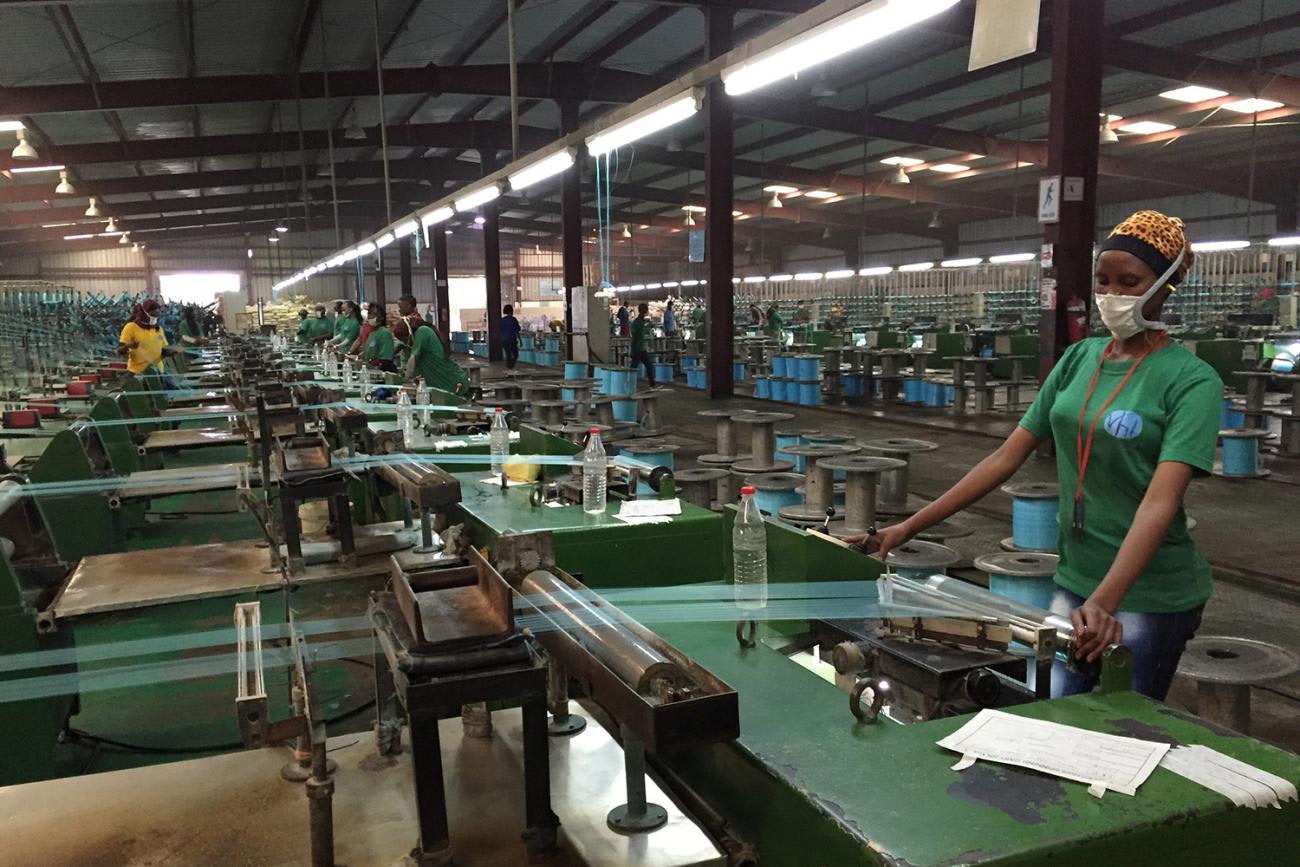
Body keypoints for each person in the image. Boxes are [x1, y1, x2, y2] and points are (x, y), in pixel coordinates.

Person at [855, 211, 1221, 701]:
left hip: (1150, 593)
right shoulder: (1078, 360)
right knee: (1049, 706)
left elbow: (1161, 502)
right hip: (1076, 579)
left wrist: (1105, 602)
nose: (1111, 294)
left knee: (1123, 722)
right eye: (1103, 280)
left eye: (1129, 282)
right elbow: (1004, 459)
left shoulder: (1192, 382)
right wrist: (906, 528)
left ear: (1166, 286)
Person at [117, 299, 184, 388]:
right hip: (138, 374)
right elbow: (119, 351)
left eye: (157, 316)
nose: (154, 319)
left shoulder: (158, 329)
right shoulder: (131, 327)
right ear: (144, 313)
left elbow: (163, 351)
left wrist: (173, 351)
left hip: (157, 372)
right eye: (153, 315)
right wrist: (128, 346)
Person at [407, 322, 471, 396]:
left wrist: (407, 379)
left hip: (453, 383)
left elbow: (412, 361)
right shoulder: (425, 334)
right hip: (447, 384)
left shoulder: (422, 331)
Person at [355, 304, 397, 372]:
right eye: (369, 314)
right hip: (369, 370)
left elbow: (386, 359)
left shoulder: (384, 333)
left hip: (381, 371)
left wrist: (370, 364)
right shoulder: (372, 333)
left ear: (381, 317)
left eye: (374, 314)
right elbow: (369, 353)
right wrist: (358, 357)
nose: (371, 317)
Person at [392, 294, 426, 366]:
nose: (399, 310)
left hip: (410, 362)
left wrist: (389, 355)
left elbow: (402, 343)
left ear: (409, 306)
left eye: (401, 307)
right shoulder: (417, 319)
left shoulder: (411, 322)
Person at [629, 302, 655, 385]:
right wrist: (632, 350)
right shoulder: (637, 322)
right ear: (645, 311)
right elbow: (634, 337)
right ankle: (629, 383)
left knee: (635, 367)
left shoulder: (641, 321)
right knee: (637, 367)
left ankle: (629, 383)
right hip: (638, 349)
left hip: (640, 348)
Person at [500, 304, 521, 369]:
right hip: (512, 340)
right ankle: (510, 367)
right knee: (515, 355)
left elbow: (500, 331)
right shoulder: (513, 319)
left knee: (508, 355)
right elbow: (516, 331)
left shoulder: (502, 320)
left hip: (504, 341)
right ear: (512, 311)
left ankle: (509, 368)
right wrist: (520, 341)